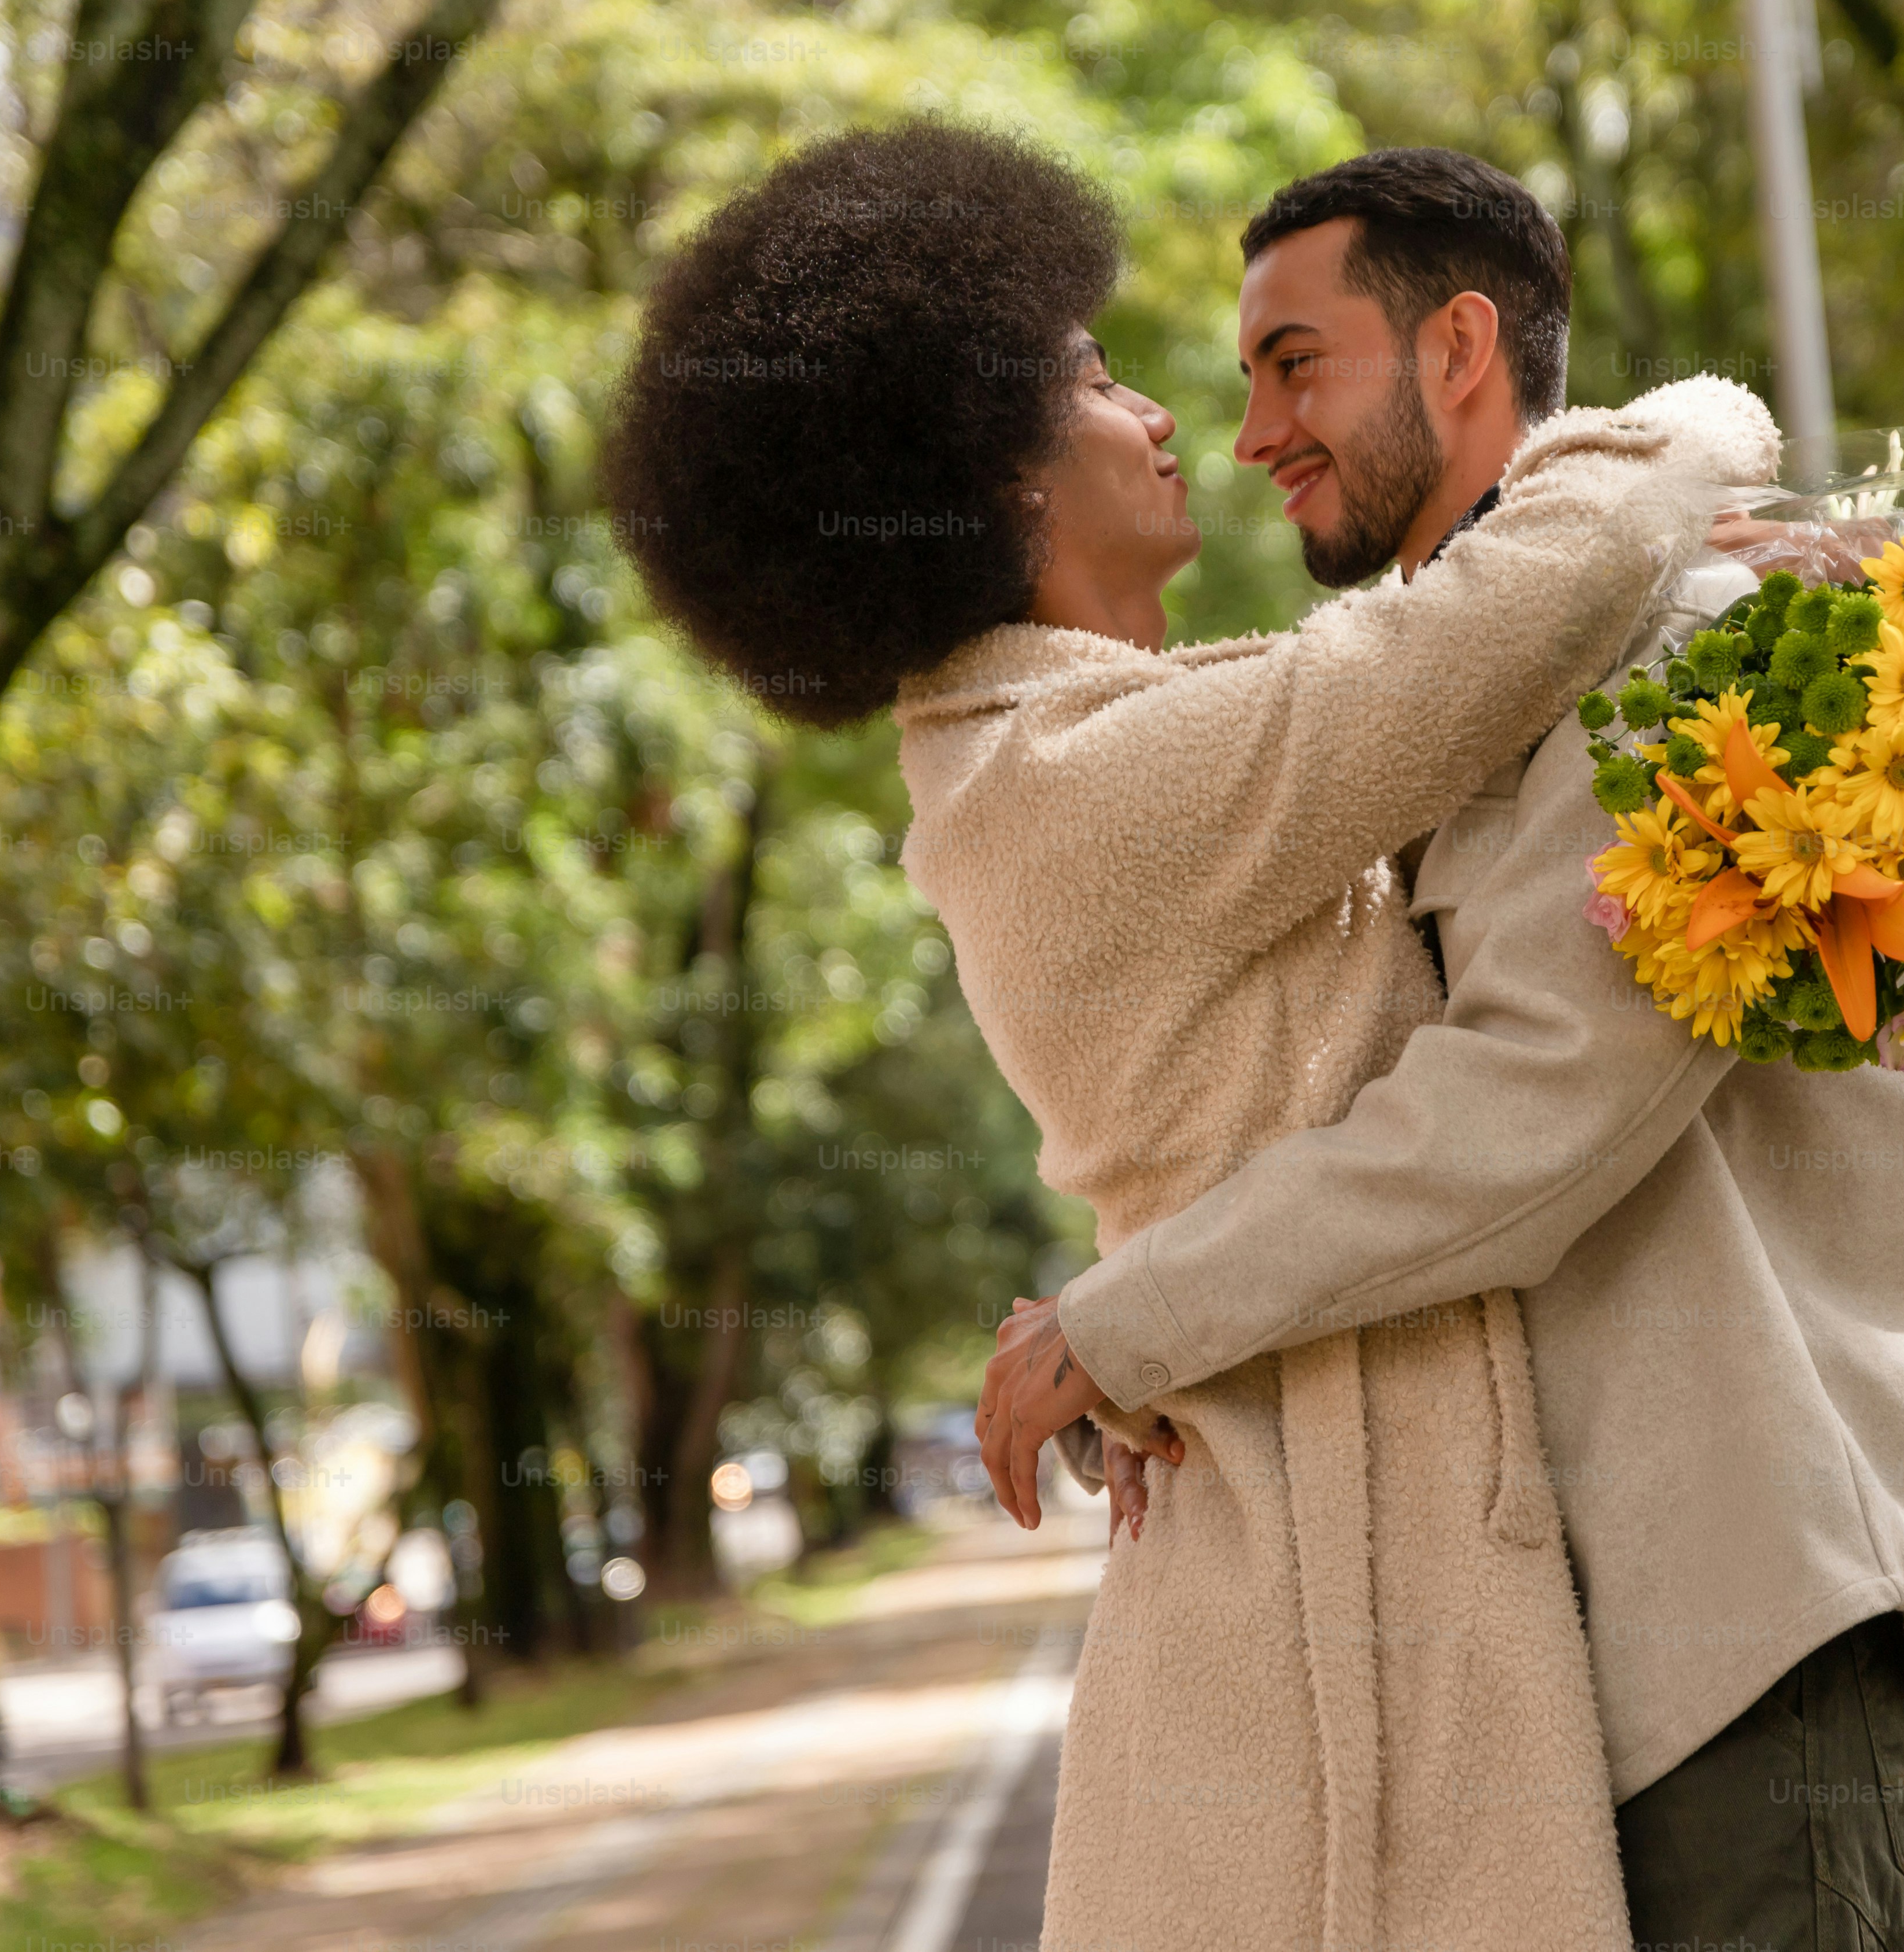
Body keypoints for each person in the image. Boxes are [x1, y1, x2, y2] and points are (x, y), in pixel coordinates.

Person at [601, 123, 1777, 1952]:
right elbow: (1491, 624)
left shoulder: (1069, 751)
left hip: (1307, 1561)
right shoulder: (1075, 786)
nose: (1173, 420)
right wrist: (1705, 427)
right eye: (1095, 381)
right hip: (1304, 1615)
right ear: (983, 486)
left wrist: (1110, 1328)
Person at [981, 150, 1904, 1952]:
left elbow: (1511, 1128)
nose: (1251, 432)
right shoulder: (1474, 676)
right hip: (1595, 1652)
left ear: (1458, 346)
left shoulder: (1676, 650)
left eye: (1293, 362)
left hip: (1747, 1609)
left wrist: (1121, 1327)